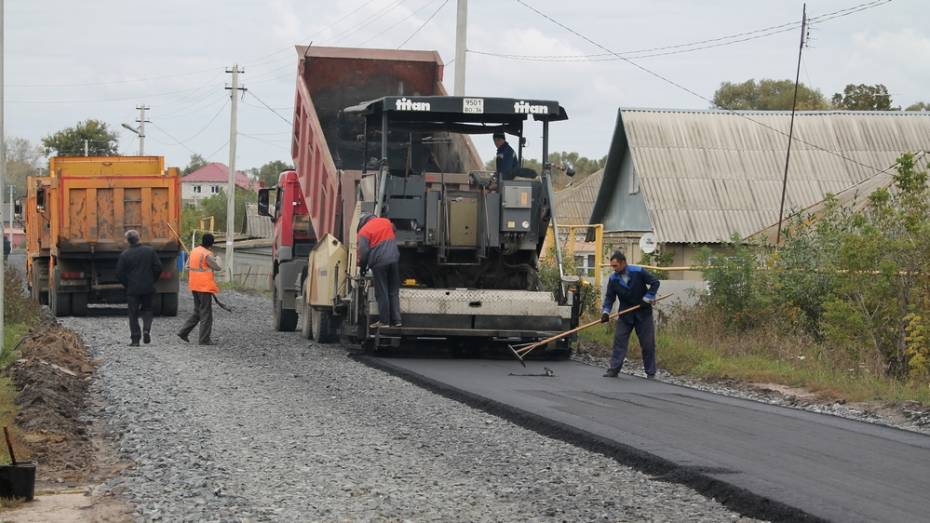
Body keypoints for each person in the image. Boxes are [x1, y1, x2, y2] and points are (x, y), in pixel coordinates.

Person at [601, 251, 660, 379]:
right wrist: (606, 312)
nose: (614, 268)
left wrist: (647, 297)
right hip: (625, 314)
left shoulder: (638, 272)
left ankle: (650, 372)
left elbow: (655, 283)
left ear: (623, 263)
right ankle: (614, 369)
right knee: (619, 341)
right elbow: (610, 298)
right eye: (612, 266)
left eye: (616, 266)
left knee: (647, 343)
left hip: (643, 312)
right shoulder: (613, 278)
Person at [116, 229, 163, 347]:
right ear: (139, 238)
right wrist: (152, 280)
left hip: (133, 289)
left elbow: (119, 273)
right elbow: (158, 268)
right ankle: (146, 329)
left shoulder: (125, 254)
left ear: (128, 241)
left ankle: (135, 339)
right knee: (147, 309)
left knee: (133, 313)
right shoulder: (150, 251)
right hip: (148, 287)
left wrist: (127, 284)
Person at [357, 212, 401, 328]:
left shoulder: (363, 231)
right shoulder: (386, 222)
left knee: (382, 292)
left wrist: (362, 267)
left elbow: (363, 252)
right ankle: (397, 321)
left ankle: (384, 321)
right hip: (394, 259)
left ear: (362, 222)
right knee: (393, 291)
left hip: (379, 262)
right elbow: (394, 229)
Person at [178, 233, 221, 345]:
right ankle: (204, 339)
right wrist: (218, 259)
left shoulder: (194, 251)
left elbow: (187, 266)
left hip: (194, 285)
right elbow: (217, 267)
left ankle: (183, 332)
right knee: (206, 314)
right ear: (211, 243)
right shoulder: (207, 254)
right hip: (204, 287)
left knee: (197, 311)